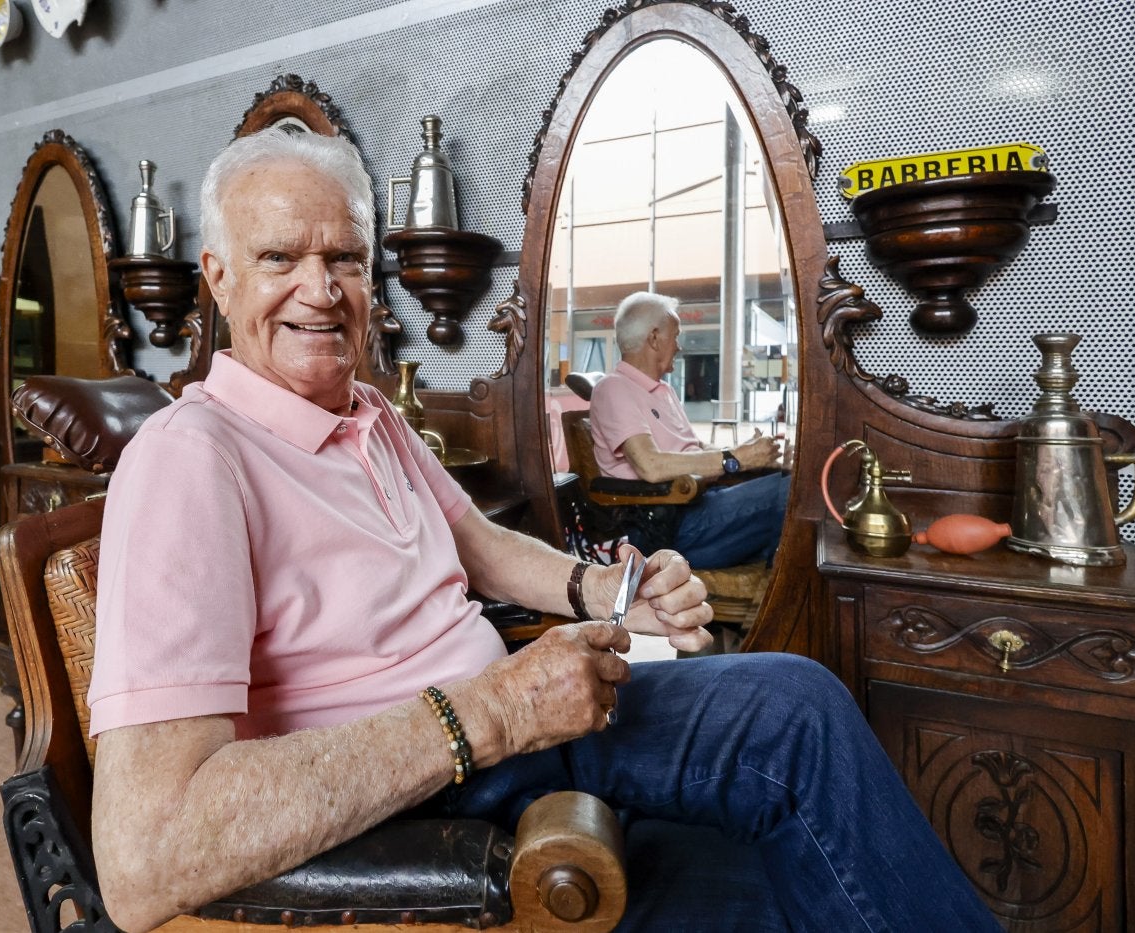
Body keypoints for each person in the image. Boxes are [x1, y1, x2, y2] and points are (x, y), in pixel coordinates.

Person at [86, 127, 1000, 932]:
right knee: (795, 714)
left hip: (501, 737)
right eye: (280, 258)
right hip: (434, 787)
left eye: (348, 261)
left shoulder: (371, 415)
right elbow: (146, 857)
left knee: (783, 867)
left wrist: (606, 590)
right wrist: (496, 709)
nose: (320, 291)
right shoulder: (189, 459)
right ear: (217, 275)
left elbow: (476, 543)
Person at [589, 292, 789, 567]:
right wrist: (735, 459)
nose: (679, 346)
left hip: (700, 505)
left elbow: (695, 448)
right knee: (793, 490)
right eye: (676, 336)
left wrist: (745, 453)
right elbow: (650, 465)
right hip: (670, 528)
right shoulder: (614, 388)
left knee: (792, 480)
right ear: (654, 338)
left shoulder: (664, 390)